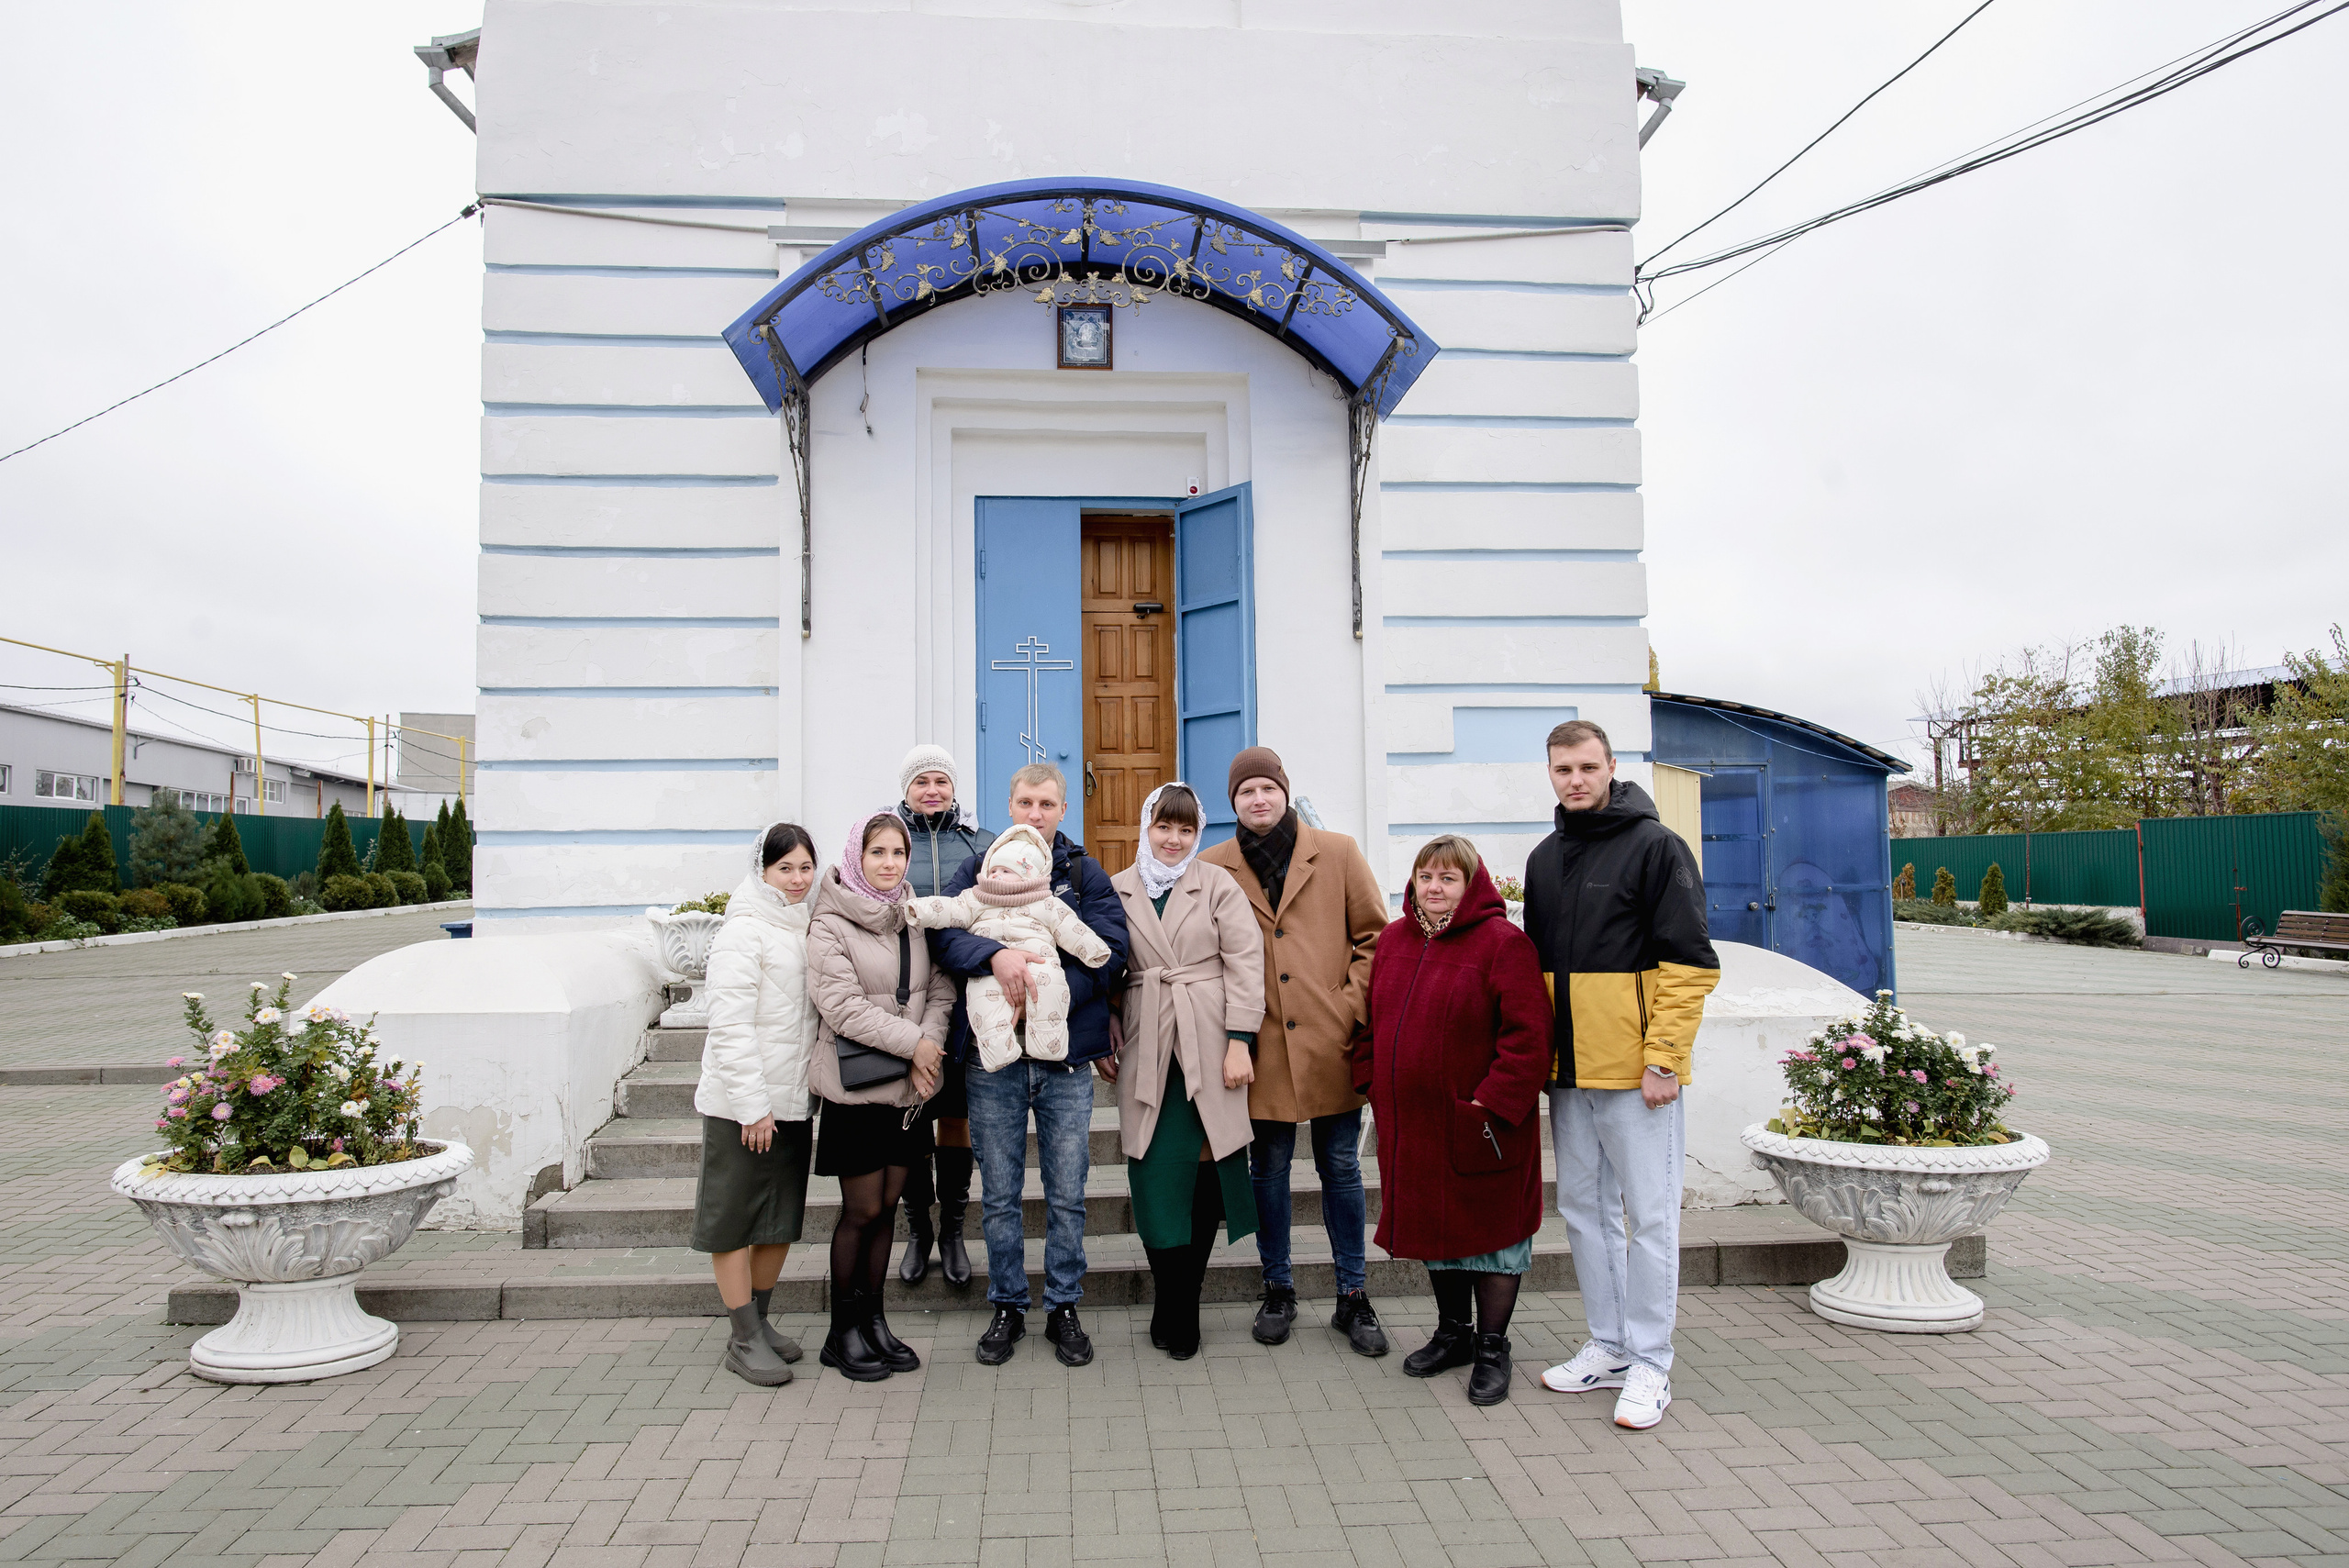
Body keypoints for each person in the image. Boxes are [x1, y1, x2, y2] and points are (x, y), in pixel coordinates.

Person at [1523, 720, 1720, 1430]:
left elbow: (1691, 964)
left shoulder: (1657, 847)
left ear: (1611, 766)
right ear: (1549, 772)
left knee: (1651, 1216)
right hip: (1569, 1075)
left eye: (1585, 766)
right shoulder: (1546, 859)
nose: (1574, 779)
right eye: (1561, 768)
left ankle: (1651, 1361)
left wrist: (1664, 1056)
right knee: (1583, 1213)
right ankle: (1607, 1345)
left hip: (1640, 1076)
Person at [931, 762, 1129, 1367]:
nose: (1034, 813)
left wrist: (1043, 982)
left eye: (1046, 803)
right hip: (994, 1060)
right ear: (1010, 804)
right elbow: (945, 938)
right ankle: (1008, 1305)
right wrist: (998, 957)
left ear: (1062, 809)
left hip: (1065, 1058)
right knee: (999, 1192)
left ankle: (1064, 1304)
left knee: (1067, 1191)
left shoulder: (1081, 873)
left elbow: (1111, 951)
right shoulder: (980, 867)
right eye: (1024, 802)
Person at [1198, 747, 1391, 1355]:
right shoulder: (1212, 864)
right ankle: (1278, 1288)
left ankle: (1353, 1296)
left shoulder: (1336, 851)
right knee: (1269, 1169)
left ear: (1284, 791)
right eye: (1245, 791)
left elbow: (1374, 935)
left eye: (1267, 788)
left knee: (1340, 1166)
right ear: (1233, 801)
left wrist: (1348, 1005)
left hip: (1333, 1040)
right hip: (1258, 1046)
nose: (1259, 799)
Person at [1353, 837, 1552, 1405]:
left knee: (1494, 1240)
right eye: (1426, 877)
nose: (1435, 888)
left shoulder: (1503, 944)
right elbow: (1371, 1023)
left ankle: (1492, 1347)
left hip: (1481, 1124)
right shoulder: (1394, 941)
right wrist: (1370, 1080)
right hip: (1414, 1125)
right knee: (1438, 1235)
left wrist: (1490, 1104)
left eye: (1449, 878)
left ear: (1472, 886)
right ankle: (1454, 1334)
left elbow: (1529, 1039)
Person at [1106, 783, 1264, 1359]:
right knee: (1151, 1176)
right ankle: (1168, 1297)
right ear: (1146, 828)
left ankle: (1185, 1304)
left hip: (1210, 1039)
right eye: (1163, 828)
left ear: (1198, 834)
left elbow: (1246, 962)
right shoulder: (1117, 889)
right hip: (1148, 1044)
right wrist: (1107, 1023)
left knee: (1204, 1177)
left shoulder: (1218, 884)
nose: (1174, 840)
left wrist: (1242, 1041)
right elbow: (1101, 963)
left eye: (1186, 830)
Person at [806, 808, 956, 1381]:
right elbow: (840, 1007)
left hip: (910, 1091)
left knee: (890, 1207)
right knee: (861, 1210)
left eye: (898, 853)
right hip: (858, 1091)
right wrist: (916, 1044)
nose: (890, 864)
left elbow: (941, 991)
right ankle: (841, 1332)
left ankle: (874, 1321)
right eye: (878, 854)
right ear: (856, 858)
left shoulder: (914, 916)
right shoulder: (830, 923)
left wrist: (930, 1050)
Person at [693, 820, 823, 1386]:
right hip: (744, 1109)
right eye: (784, 868)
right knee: (736, 1220)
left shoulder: (801, 926)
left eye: (804, 867)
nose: (796, 879)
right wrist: (752, 1107)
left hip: (791, 1104)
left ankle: (761, 1322)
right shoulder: (744, 931)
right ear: (762, 871)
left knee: (777, 1220)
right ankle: (742, 1336)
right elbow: (729, 1026)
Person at [892, 746, 992, 1289]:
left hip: (965, 998)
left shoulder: (979, 843)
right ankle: (917, 1230)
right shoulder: (888, 841)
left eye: (941, 781)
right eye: (921, 782)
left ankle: (952, 1230)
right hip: (902, 999)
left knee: (955, 1116)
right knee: (912, 1115)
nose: (932, 790)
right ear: (906, 789)